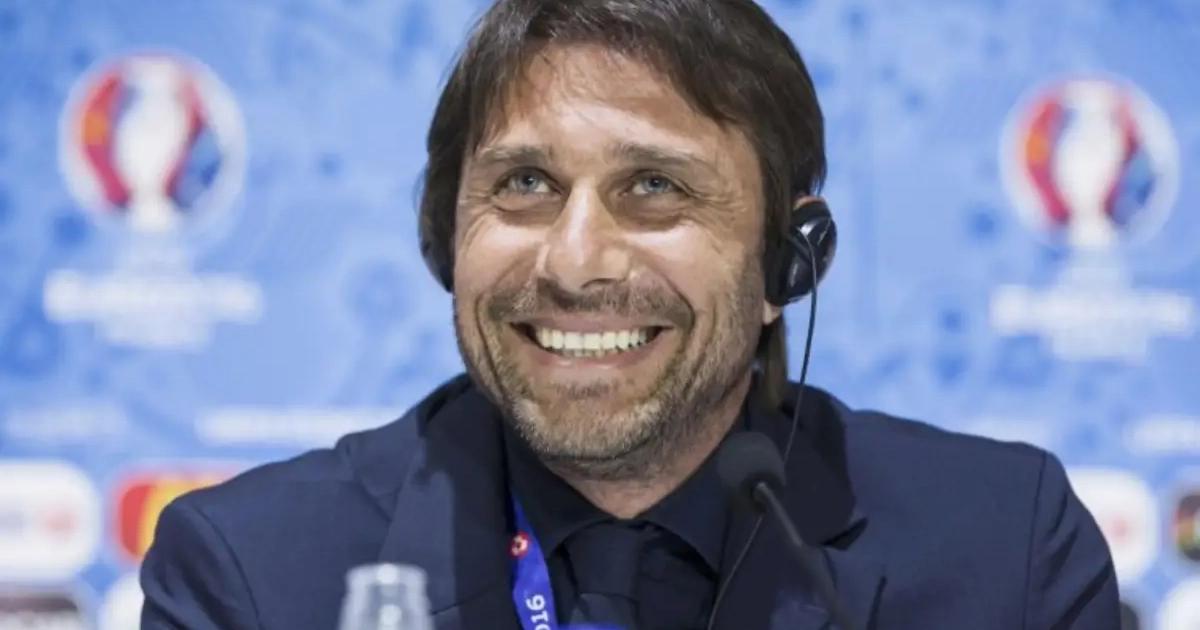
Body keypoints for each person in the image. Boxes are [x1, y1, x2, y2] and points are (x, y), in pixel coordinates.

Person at [140, 0, 1120, 628]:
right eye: (525, 183)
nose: (575, 264)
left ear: (786, 262)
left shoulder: (1007, 554)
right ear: (444, 238)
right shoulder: (253, 576)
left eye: (654, 187)